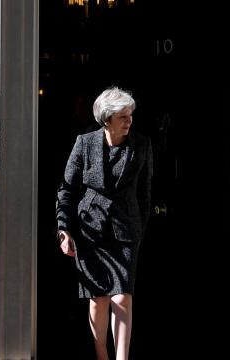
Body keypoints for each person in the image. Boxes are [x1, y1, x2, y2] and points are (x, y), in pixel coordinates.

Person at [56, 86, 153, 360]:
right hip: (90, 230)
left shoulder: (142, 145)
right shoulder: (84, 143)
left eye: (131, 115)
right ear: (106, 119)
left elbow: (145, 193)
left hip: (126, 232)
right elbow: (66, 189)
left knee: (122, 297)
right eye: (123, 116)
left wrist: (139, 228)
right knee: (99, 299)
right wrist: (64, 230)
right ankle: (101, 354)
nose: (129, 121)